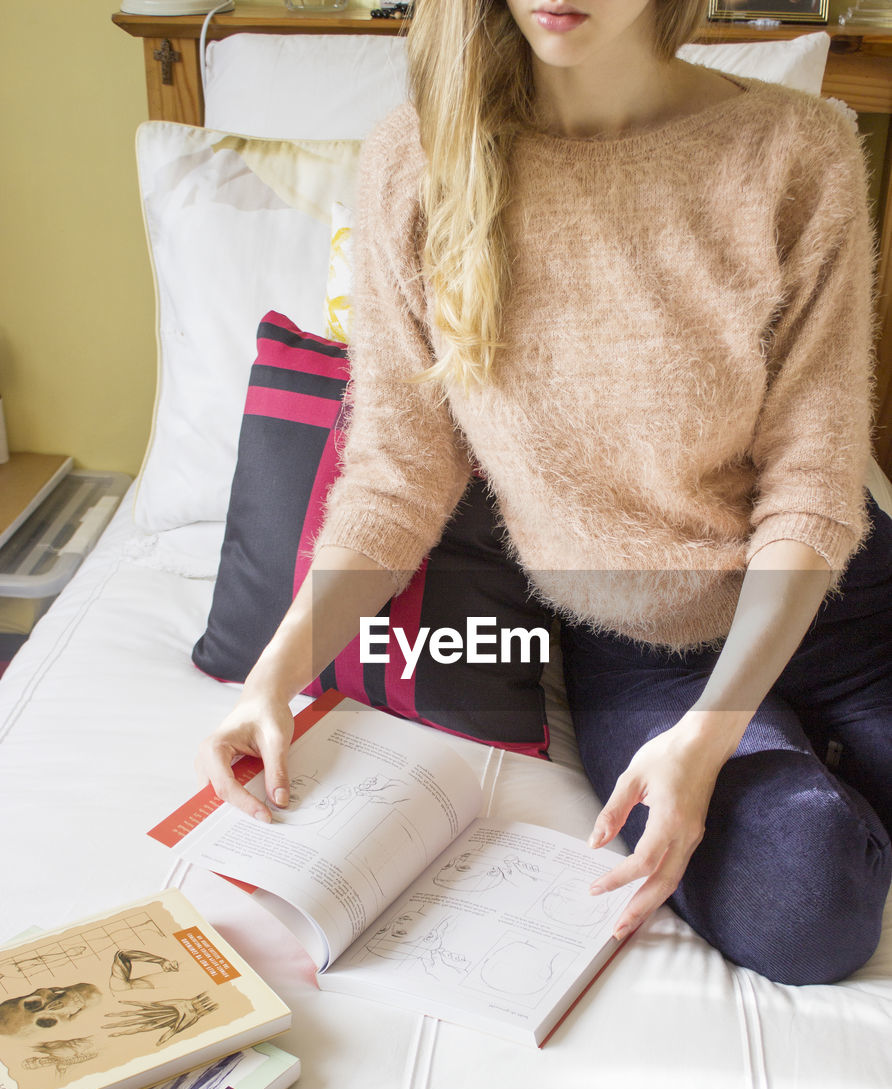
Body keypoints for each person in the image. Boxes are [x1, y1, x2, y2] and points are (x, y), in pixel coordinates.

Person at [197, 0, 892, 985]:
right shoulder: (418, 163)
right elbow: (399, 473)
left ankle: (812, 747)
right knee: (805, 903)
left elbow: (813, 479)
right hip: (642, 649)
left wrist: (717, 734)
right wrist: (276, 671)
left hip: (837, 605)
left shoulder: (795, 148)